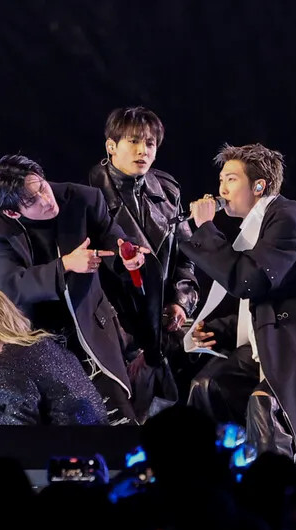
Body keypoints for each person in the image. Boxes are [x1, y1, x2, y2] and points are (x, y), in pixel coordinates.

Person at [183, 143, 296, 467]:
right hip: (285, 333)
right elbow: (266, 302)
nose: (221, 189)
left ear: (259, 186)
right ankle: (212, 482)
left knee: (265, 403)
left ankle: (274, 486)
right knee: (207, 386)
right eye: (221, 180)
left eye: (231, 179)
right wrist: (219, 331)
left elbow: (251, 282)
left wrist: (206, 230)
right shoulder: (261, 224)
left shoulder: (287, 217)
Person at [0, 154, 150, 425]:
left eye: (42, 187)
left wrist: (127, 256)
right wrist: (65, 265)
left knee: (117, 420)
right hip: (35, 339)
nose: (47, 200)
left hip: (89, 329)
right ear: (12, 212)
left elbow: (111, 238)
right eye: (32, 201)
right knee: (43, 425)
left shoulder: (82, 198)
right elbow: (12, 287)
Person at [87, 107, 200, 419]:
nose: (143, 151)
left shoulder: (167, 191)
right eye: (134, 141)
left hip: (163, 329)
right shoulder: (89, 196)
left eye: (150, 143)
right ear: (111, 146)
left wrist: (180, 301)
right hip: (115, 333)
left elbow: (186, 255)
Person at [0, 288, 108, 425]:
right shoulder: (52, 348)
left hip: (60, 449)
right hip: (98, 446)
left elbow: (16, 440)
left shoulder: (3, 370)